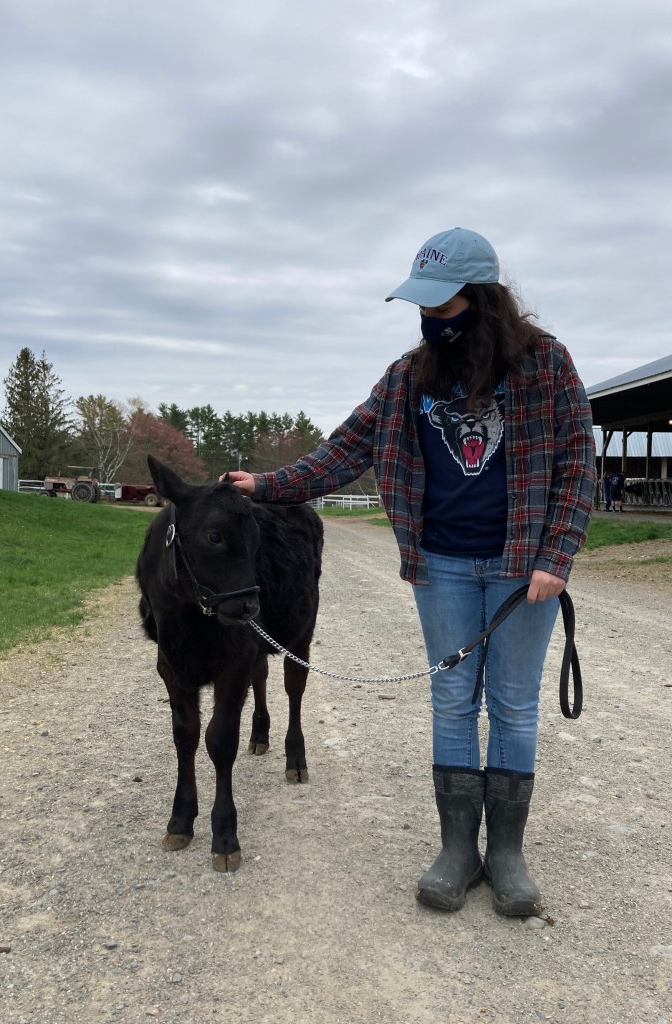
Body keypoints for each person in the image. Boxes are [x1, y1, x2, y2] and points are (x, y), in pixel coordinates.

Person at [226, 227, 596, 917]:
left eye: (443, 305)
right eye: (422, 307)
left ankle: (507, 854)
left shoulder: (546, 364)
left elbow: (579, 463)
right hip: (443, 566)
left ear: (483, 300)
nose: (431, 319)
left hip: (525, 570)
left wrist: (557, 556)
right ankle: (457, 851)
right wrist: (266, 485)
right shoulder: (407, 376)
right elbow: (343, 453)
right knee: (454, 702)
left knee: (513, 706)